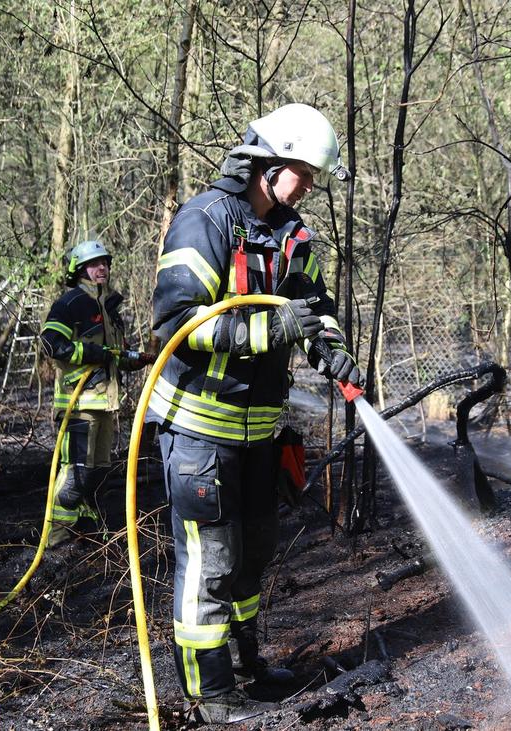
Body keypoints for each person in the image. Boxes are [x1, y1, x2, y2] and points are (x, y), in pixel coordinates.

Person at [149, 103, 362, 723]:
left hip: (259, 432)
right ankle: (210, 693)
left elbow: (313, 310)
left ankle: (246, 664)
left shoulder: (292, 235)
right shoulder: (204, 221)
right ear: (267, 162)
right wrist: (272, 328)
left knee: (254, 554)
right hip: (199, 429)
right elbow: (178, 325)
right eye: (304, 170)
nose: (311, 184)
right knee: (209, 563)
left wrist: (336, 356)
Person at [39, 239, 154, 548]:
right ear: (79, 270)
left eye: (104, 262)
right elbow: (51, 344)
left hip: (105, 403)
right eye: (93, 263)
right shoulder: (71, 303)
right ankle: (56, 539)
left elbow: (113, 354)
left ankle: (84, 527)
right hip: (79, 404)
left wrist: (135, 360)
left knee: (97, 471)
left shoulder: (109, 307)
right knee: (75, 473)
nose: (101, 267)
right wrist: (92, 352)